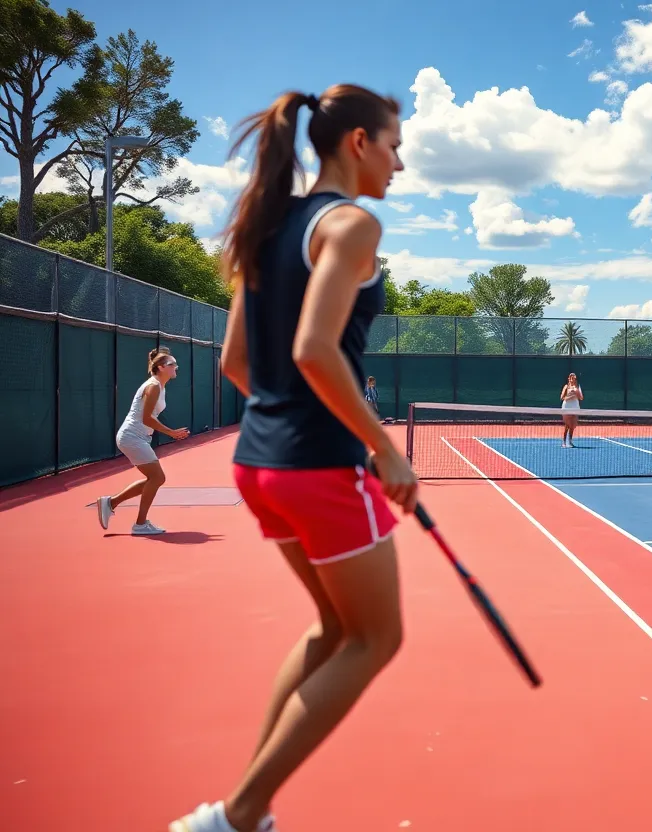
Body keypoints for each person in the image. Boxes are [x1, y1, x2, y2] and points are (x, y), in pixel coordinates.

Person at [169, 84, 418, 832]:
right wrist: (381, 449)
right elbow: (314, 350)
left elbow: (237, 363)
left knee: (330, 630)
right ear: (358, 144)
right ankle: (235, 816)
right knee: (378, 638)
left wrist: (289, 423)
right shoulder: (351, 225)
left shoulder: (267, 225)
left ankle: (245, 809)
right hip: (315, 467)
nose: (399, 164)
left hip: (258, 464)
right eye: (395, 145)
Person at [96, 348, 190, 535]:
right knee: (157, 477)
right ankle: (140, 524)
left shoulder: (160, 387)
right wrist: (171, 432)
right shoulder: (153, 386)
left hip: (138, 437)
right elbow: (146, 418)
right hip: (131, 436)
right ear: (161, 367)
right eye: (172, 364)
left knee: (154, 478)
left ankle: (111, 503)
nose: (176, 368)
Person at [560, 372, 582, 448]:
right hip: (566, 407)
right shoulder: (566, 387)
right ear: (569, 379)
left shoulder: (577, 387)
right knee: (567, 425)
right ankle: (564, 442)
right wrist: (571, 396)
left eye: (574, 378)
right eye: (571, 378)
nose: (572, 379)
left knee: (572, 426)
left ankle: (570, 441)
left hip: (575, 408)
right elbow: (562, 398)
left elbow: (581, 398)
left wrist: (576, 392)